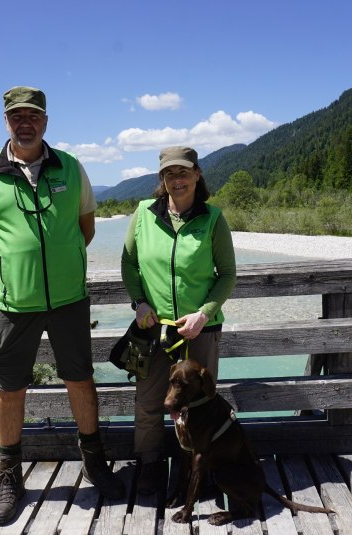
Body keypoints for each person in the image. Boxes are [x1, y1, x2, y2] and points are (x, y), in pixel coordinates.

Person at [0, 86, 124, 526]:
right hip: (13, 305)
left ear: (46, 121)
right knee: (9, 389)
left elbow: (85, 229)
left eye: (33, 115)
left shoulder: (71, 167)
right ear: (6, 122)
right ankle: (9, 476)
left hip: (69, 300)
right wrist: (13, 273)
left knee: (81, 380)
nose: (25, 122)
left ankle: (94, 462)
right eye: (17, 116)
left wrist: (59, 263)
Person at [120, 146, 237, 494]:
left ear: (197, 174)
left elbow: (227, 274)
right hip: (153, 330)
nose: (177, 179)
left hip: (200, 329)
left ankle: (203, 470)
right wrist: (139, 303)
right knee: (148, 400)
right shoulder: (143, 213)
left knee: (202, 404)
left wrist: (205, 313)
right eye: (169, 173)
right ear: (162, 179)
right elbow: (129, 264)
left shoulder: (213, 218)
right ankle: (151, 466)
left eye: (183, 172)